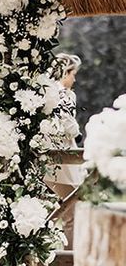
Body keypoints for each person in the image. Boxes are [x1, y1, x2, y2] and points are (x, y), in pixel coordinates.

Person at [47, 53, 84, 246]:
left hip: (53, 157)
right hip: (61, 158)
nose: (74, 79)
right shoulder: (62, 94)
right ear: (64, 72)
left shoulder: (46, 92)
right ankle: (71, 261)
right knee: (71, 210)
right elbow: (68, 123)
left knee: (59, 210)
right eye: (73, 74)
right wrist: (77, 134)